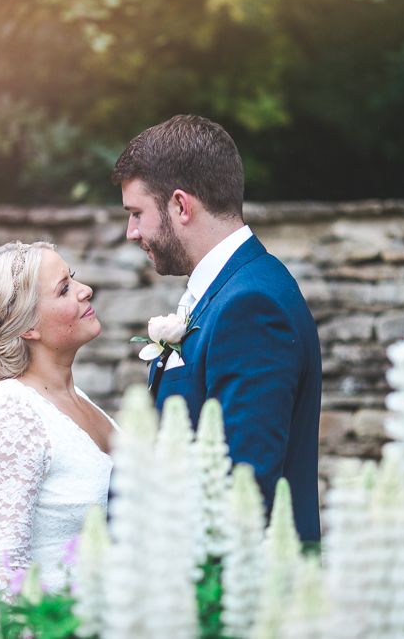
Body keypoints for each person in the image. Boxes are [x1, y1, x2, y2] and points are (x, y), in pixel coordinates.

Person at [112, 114, 322, 542]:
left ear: (180, 205)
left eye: (136, 214)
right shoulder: (230, 290)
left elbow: (243, 490)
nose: (131, 233)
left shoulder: (251, 305)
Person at [0, 241, 117, 592]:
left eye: (72, 278)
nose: (85, 290)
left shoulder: (79, 400)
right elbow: (6, 571)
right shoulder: (10, 413)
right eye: (64, 289)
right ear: (28, 326)